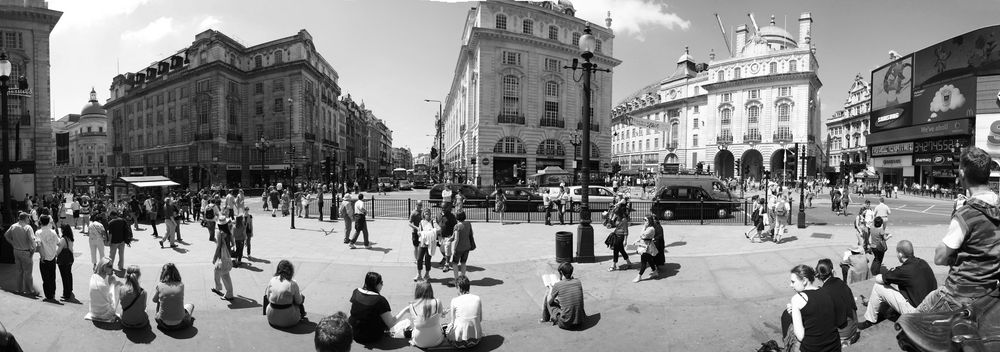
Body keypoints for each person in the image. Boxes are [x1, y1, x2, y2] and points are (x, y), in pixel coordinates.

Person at [920, 147, 1000, 313]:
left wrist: (957, 214)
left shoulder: (966, 213)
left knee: (907, 325)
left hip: (958, 296)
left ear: (962, 173)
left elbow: (940, 258)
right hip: (988, 294)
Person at [857, 240, 937, 331]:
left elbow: (880, 279)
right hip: (931, 309)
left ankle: (869, 320)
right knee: (899, 285)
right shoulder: (923, 262)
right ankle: (891, 311)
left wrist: (881, 275)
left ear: (900, 254)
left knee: (878, 287)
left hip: (916, 314)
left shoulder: (904, 270)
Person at [782, 264, 841, 352]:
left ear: (805, 281)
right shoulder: (826, 292)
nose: (791, 285)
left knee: (786, 319)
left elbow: (800, 336)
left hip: (812, 348)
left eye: (793, 282)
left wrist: (793, 314)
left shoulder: (797, 299)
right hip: (834, 346)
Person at [816, 259, 859, 346]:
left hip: (844, 333)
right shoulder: (841, 282)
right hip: (854, 326)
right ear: (832, 271)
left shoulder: (824, 292)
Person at [348, 272, 397, 344]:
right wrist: (406, 310)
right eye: (381, 282)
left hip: (354, 333)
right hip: (371, 337)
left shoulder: (356, 292)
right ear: (376, 285)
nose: (382, 285)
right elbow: (390, 323)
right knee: (386, 319)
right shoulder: (380, 300)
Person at [392, 282, 445, 348]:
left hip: (419, 342)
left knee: (407, 323)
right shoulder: (438, 302)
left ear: (417, 291)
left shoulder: (411, 306)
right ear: (431, 290)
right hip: (436, 340)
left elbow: (396, 319)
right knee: (439, 326)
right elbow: (442, 315)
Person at [541, 263, 585, 330]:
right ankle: (545, 318)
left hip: (565, 323)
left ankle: (545, 319)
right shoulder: (578, 281)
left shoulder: (558, 285)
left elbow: (549, 302)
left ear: (561, 272)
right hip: (580, 321)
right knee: (563, 301)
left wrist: (550, 288)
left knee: (548, 297)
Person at [152, 263, 196, 331]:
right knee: (191, 305)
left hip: (163, 323)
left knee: (159, 301)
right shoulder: (181, 285)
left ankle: (162, 315)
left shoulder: (160, 285)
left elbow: (154, 300)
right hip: (180, 323)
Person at [264, 260, 306, 328]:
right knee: (301, 297)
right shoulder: (293, 284)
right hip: (288, 320)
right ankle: (302, 314)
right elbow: (299, 301)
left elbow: (268, 298)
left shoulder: (272, 280)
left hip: (271, 318)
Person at [5, 212, 38, 296]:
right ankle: (30, 290)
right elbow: (32, 241)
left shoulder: (13, 226)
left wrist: (12, 243)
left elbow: (6, 235)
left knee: (19, 271)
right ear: (25, 218)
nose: (28, 219)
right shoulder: (28, 228)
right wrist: (33, 250)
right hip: (26, 252)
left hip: (16, 251)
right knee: (28, 272)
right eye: (28, 218)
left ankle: (19, 289)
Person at [446, 275, 482, 348]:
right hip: (476, 340)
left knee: (446, 327)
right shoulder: (477, 298)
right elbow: (480, 319)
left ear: (459, 287)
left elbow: (453, 322)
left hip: (458, 343)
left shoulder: (454, 300)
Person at [84, 257, 119, 322]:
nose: (112, 268)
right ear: (104, 267)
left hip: (93, 313)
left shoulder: (93, 276)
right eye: (110, 266)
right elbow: (113, 299)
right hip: (105, 314)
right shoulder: (110, 279)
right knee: (118, 287)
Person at [35, 215, 60, 302]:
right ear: (49, 222)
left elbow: (38, 244)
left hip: (44, 258)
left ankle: (48, 295)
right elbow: (59, 243)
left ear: (40, 222)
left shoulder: (38, 232)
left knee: (45, 278)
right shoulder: (53, 232)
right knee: (52, 277)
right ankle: (52, 294)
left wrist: (42, 255)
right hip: (52, 257)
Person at [451, 211, 476, 285]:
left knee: (455, 263)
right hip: (467, 246)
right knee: (463, 263)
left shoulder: (457, 226)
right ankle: (463, 279)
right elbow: (471, 233)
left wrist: (453, 249)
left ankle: (456, 280)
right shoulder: (468, 223)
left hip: (459, 248)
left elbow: (456, 239)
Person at [211, 223, 235, 301]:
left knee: (225, 275)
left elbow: (218, 246)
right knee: (217, 271)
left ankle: (229, 294)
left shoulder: (220, 233)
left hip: (222, 256)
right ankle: (218, 287)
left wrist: (214, 257)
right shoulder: (228, 232)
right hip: (226, 255)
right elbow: (233, 243)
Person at [634, 214, 660, 283]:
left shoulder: (651, 229)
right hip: (644, 245)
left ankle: (639, 276)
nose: (644, 221)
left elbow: (642, 235)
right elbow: (642, 237)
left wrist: (644, 227)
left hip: (647, 247)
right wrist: (637, 240)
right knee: (649, 260)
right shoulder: (648, 228)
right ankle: (655, 272)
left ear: (649, 221)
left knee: (643, 262)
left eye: (645, 220)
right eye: (644, 220)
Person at [414, 209, 438, 282]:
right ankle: (419, 274)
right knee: (419, 259)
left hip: (430, 243)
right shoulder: (421, 222)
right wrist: (419, 233)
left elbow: (437, 229)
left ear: (430, 214)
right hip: (422, 243)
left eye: (428, 213)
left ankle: (427, 274)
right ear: (423, 214)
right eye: (425, 213)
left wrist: (433, 231)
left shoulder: (433, 221)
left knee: (428, 260)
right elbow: (419, 231)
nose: (426, 214)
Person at [56, 224, 76, 301]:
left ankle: (66, 293)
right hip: (70, 258)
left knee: (64, 276)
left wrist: (54, 255)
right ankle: (70, 290)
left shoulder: (63, 239)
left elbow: (59, 250)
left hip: (63, 260)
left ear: (63, 230)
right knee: (69, 274)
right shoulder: (70, 238)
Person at [437, 203, 457, 271]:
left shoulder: (451, 216)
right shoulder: (438, 214)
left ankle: (447, 264)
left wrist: (453, 236)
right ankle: (445, 257)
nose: (443, 210)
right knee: (442, 250)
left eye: (445, 208)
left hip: (448, 236)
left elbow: (455, 227)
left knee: (447, 248)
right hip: (440, 236)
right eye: (442, 208)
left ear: (447, 208)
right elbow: (436, 223)